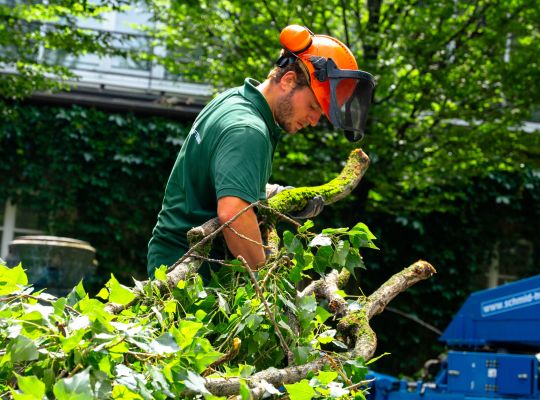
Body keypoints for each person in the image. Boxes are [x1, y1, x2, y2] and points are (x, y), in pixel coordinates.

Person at [147, 25, 375, 278]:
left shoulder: (233, 101)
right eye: (312, 106)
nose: (313, 120)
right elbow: (234, 215)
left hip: (178, 261)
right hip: (193, 276)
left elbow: (218, 177)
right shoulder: (248, 130)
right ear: (288, 80)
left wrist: (277, 195)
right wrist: (268, 281)